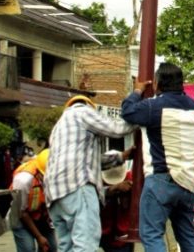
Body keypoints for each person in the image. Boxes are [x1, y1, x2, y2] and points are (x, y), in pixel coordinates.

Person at [122, 62, 194, 252]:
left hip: (162, 180)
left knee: (151, 234)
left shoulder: (154, 107)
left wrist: (137, 92)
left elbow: (127, 111)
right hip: (189, 183)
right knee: (188, 236)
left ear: (157, 83)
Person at [46, 95, 137, 252]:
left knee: (66, 247)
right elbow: (118, 128)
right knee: (85, 245)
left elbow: (88, 160)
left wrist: (121, 157)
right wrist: (140, 114)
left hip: (54, 194)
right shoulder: (83, 112)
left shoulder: (59, 127)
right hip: (76, 187)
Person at [10, 149, 55, 252]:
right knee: (28, 248)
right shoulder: (23, 180)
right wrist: (39, 237)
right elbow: (21, 212)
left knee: (51, 247)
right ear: (39, 172)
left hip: (40, 214)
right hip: (20, 215)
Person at [100, 148, 136, 252]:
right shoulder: (98, 181)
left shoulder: (130, 178)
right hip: (102, 231)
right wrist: (113, 189)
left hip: (122, 235)